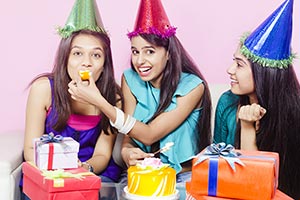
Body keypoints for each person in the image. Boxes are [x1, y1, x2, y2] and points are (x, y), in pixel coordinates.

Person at [69, 0, 212, 183]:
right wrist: (127, 152)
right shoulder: (130, 79)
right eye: (135, 52)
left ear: (168, 53)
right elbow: (131, 136)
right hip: (143, 174)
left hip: (182, 177)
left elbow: (149, 134)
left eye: (149, 52)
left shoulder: (193, 87)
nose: (140, 61)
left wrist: (99, 101)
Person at [22, 0, 122, 199]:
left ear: (104, 64)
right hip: (46, 171)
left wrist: (84, 169)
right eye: (77, 53)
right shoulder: (43, 89)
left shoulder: (112, 98)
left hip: (92, 173)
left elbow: (103, 154)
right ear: (65, 57)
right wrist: (57, 173)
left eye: (96, 55)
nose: (86, 62)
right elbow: (30, 148)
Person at [213, 0, 300, 198]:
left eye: (239, 64)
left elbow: (256, 185)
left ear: (263, 73)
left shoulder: (293, 114)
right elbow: (216, 165)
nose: (230, 70)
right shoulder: (227, 103)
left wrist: (247, 128)